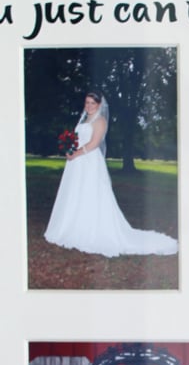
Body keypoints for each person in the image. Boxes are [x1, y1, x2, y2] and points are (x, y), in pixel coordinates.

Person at [44, 91, 178, 257]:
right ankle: (72, 224)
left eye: (93, 103)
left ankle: (91, 229)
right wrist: (70, 149)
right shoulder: (85, 119)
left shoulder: (100, 121)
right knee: (76, 193)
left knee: (91, 194)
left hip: (89, 161)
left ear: (99, 105)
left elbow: (94, 144)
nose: (89, 106)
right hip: (77, 162)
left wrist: (76, 153)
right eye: (87, 103)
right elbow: (78, 139)